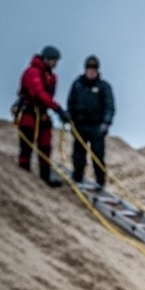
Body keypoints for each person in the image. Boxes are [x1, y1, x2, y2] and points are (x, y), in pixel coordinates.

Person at [13, 45, 70, 187]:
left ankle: (45, 177)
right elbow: (38, 94)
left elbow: (47, 96)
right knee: (27, 142)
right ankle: (23, 174)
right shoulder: (32, 72)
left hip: (43, 114)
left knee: (45, 145)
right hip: (29, 112)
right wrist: (58, 109)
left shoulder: (51, 77)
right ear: (46, 59)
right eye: (54, 60)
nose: (55, 64)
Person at [67, 55, 116, 189]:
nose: (91, 72)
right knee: (78, 155)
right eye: (89, 69)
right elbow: (70, 103)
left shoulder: (104, 87)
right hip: (80, 126)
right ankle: (77, 177)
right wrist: (69, 118)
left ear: (98, 71)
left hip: (97, 128)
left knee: (98, 156)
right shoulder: (77, 85)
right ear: (85, 70)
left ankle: (100, 182)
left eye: (94, 70)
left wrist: (106, 123)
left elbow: (109, 107)